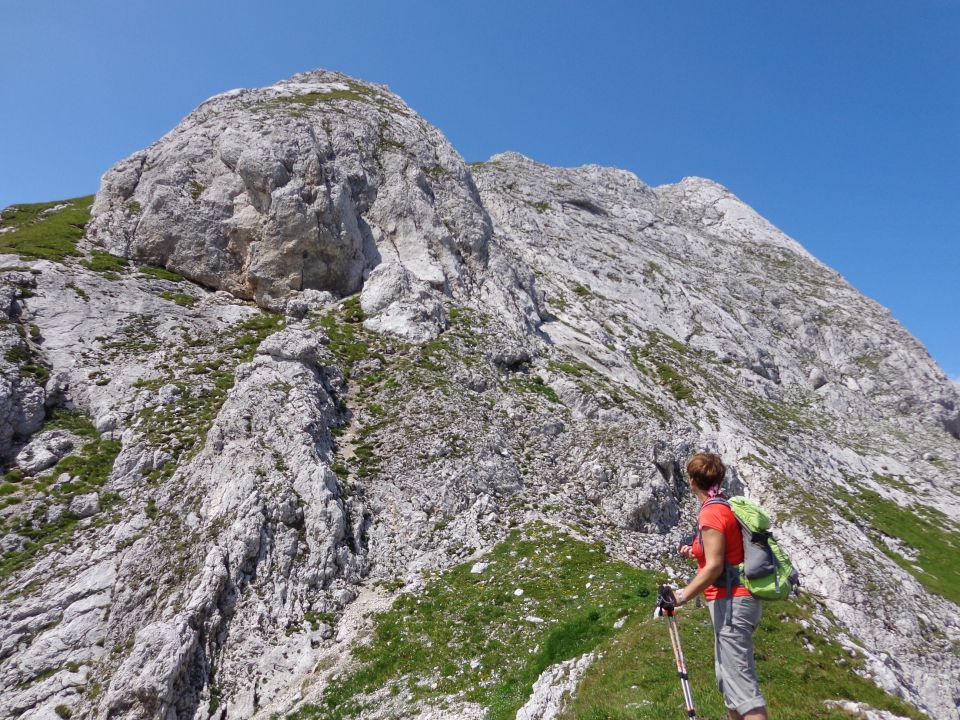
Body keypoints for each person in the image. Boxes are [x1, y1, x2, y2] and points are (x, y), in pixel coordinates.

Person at [668, 452, 768, 720]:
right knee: (729, 680)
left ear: (691, 481)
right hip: (736, 601)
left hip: (732, 601)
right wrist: (694, 550)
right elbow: (721, 554)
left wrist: (682, 596)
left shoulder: (711, 513)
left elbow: (713, 567)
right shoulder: (723, 506)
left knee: (745, 692)